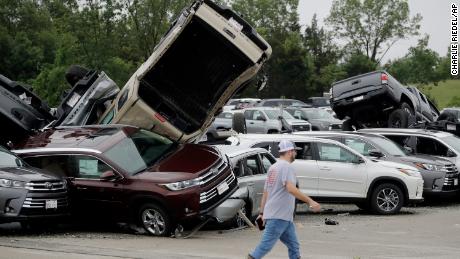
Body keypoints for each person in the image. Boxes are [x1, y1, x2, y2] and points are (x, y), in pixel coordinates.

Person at [248, 140, 321, 259]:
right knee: (265, 246)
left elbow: (266, 192)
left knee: (294, 246)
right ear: (289, 152)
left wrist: (262, 213)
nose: (296, 154)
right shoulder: (286, 167)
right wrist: (310, 201)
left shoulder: (273, 167)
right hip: (278, 216)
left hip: (284, 217)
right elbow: (291, 188)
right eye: (294, 151)